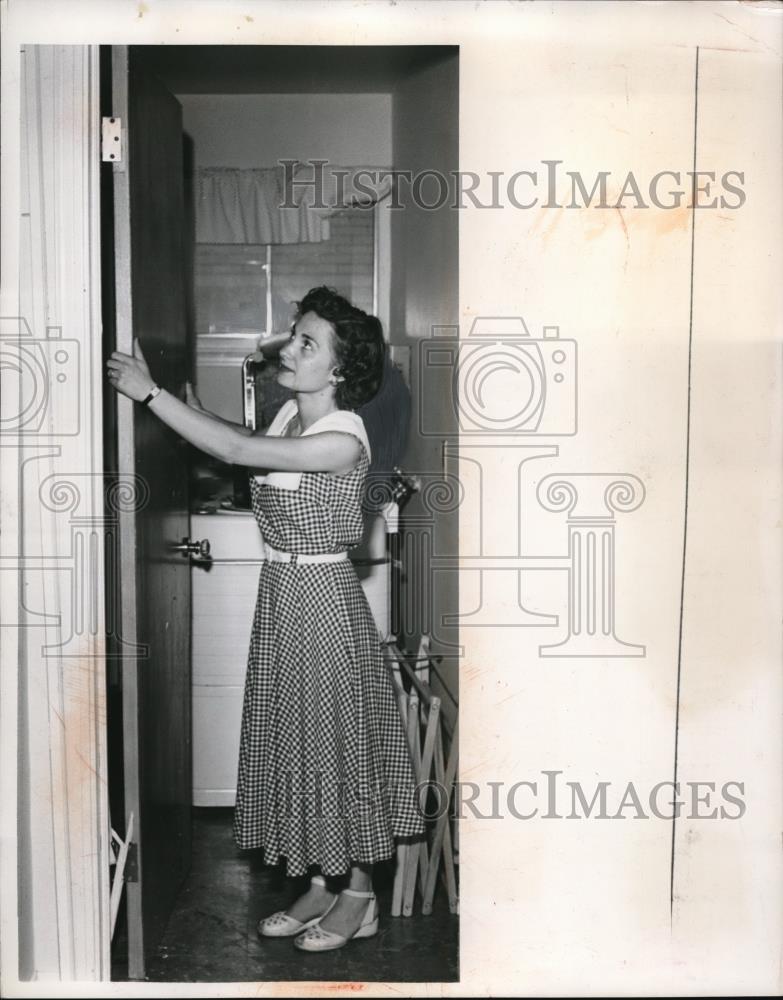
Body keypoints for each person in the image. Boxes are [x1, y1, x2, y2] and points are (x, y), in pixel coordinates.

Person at [107, 285, 424, 952]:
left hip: (322, 601)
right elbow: (243, 439)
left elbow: (236, 454)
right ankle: (318, 880)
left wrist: (148, 393)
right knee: (296, 737)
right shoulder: (289, 417)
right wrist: (189, 403)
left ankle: (359, 896)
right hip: (283, 596)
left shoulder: (342, 438)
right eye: (295, 333)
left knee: (338, 745)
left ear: (338, 369)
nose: (290, 348)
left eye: (308, 343)